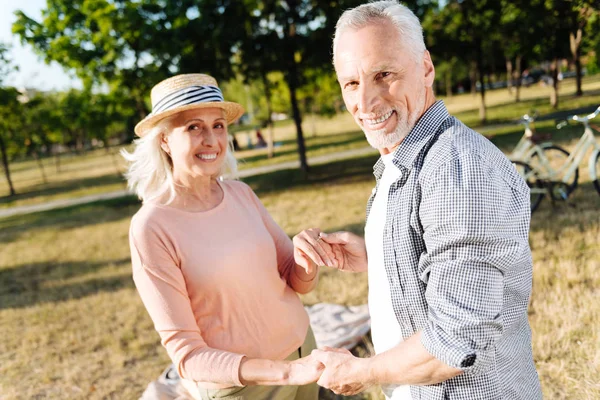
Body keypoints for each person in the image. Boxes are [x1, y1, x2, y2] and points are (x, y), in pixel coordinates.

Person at [292, 2, 542, 399]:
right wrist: (378, 254)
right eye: (351, 83)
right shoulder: (402, 159)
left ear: (426, 68)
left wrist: (364, 369)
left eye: (384, 75)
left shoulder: (460, 172)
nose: (366, 102)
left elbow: (455, 341)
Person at [122, 73, 323, 400]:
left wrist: (307, 259)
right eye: (193, 127)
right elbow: (187, 357)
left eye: (218, 125)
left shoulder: (241, 194)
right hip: (243, 389)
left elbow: (297, 280)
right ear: (163, 140)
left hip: (303, 351)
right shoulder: (151, 227)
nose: (211, 139)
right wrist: (284, 373)